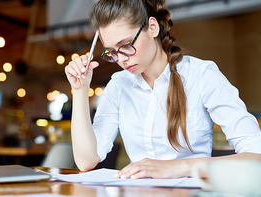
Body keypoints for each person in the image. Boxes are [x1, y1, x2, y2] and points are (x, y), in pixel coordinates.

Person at [64, 0, 261, 179]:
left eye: (125, 45)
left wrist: (176, 167)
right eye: (112, 52)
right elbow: (86, 161)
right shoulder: (118, 85)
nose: (122, 59)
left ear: (152, 27)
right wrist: (80, 90)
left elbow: (257, 156)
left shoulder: (202, 76)